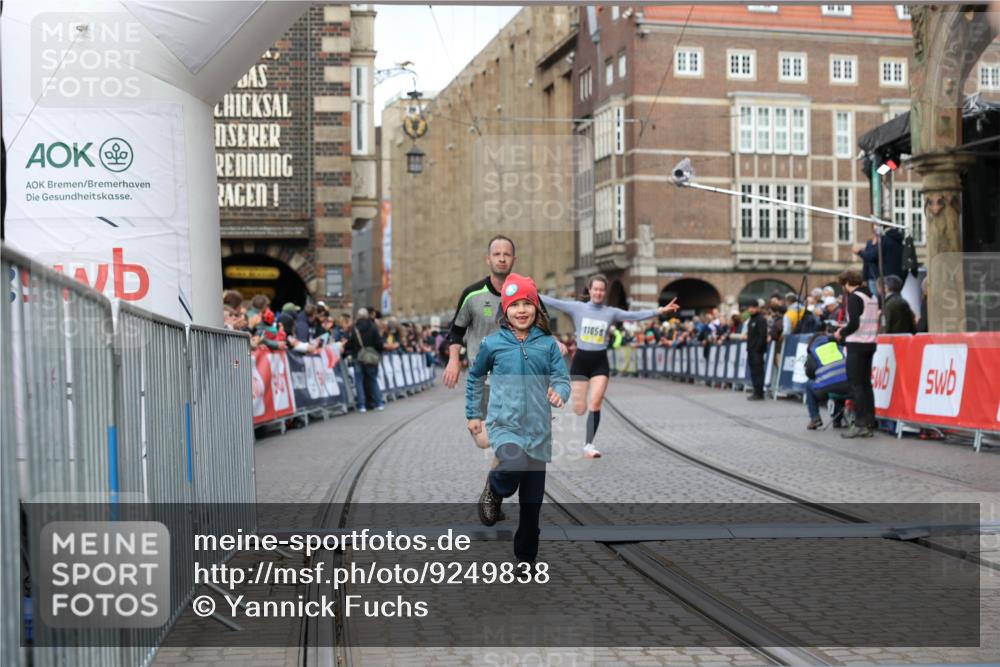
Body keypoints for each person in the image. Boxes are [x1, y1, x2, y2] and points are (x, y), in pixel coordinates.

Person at [467, 273, 570, 564]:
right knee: (513, 463)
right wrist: (473, 413)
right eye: (515, 305)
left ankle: (525, 559)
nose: (521, 310)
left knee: (532, 504)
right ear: (506, 311)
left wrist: (559, 391)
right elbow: (475, 377)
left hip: (538, 430)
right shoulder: (493, 343)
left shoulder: (547, 344)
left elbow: (562, 377)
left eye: (527, 303)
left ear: (536, 308)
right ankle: (494, 487)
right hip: (505, 426)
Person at [539, 274, 679, 459]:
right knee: (579, 409)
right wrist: (526, 291)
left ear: (604, 293)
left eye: (601, 290)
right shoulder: (577, 307)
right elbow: (552, 302)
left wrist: (660, 310)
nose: (598, 292)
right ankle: (579, 413)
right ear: (590, 290)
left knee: (596, 402)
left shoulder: (611, 312)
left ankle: (589, 445)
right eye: (595, 289)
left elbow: (634, 316)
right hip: (581, 361)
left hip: (600, 362)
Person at [834, 270, 880, 438]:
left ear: (846, 283)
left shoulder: (854, 298)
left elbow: (854, 323)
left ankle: (859, 423)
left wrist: (841, 332)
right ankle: (869, 423)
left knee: (856, 385)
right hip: (870, 344)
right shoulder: (872, 297)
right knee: (866, 385)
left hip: (856, 344)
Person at [803, 331, 850, 430]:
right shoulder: (837, 347)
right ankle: (837, 420)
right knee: (839, 381)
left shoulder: (814, 350)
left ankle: (815, 418)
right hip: (847, 389)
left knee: (809, 384)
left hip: (827, 391)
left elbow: (810, 373)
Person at [343, 307, 385, 413]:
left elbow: (349, 344)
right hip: (371, 357)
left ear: (358, 316)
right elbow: (379, 344)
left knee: (359, 381)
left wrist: (348, 351)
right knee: (373, 380)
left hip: (358, 357)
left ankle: (362, 405)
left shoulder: (354, 328)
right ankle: (379, 403)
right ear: (367, 316)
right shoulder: (373, 327)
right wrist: (377, 353)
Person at [746, 299, 768, 400]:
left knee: (758, 371)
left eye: (752, 307)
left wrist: (758, 348)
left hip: (757, 351)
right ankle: (756, 390)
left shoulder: (760, 319)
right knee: (753, 371)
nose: (750, 309)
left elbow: (762, 335)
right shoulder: (751, 320)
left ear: (757, 308)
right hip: (751, 350)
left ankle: (759, 392)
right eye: (749, 307)